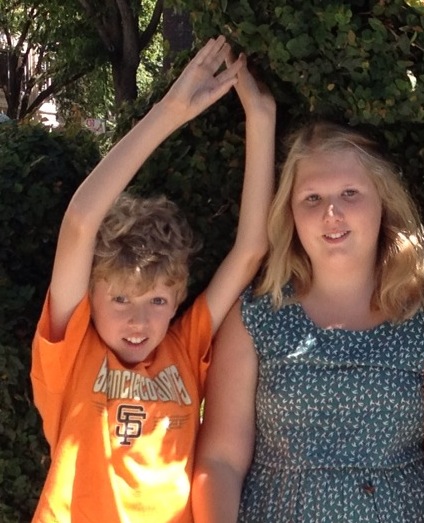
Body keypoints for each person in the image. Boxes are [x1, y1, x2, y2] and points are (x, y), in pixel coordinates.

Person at [30, 36, 276, 522]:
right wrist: (168, 113)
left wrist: (262, 118)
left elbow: (251, 250)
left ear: (178, 298)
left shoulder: (183, 348)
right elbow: (80, 222)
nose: (138, 321)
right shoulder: (70, 354)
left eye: (158, 301)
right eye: (121, 298)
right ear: (92, 296)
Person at [192, 120, 424, 523]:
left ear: (383, 200)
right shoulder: (257, 315)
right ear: (290, 213)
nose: (331, 214)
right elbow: (220, 461)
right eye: (312, 198)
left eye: (350, 193)